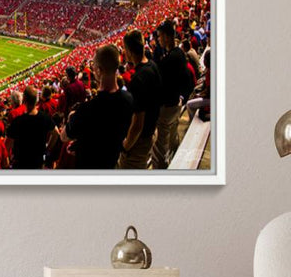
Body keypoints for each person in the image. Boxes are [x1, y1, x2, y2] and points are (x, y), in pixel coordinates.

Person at [64, 45, 134, 169]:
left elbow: (64, 136)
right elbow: (105, 135)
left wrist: (71, 118)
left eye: (94, 66)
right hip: (111, 163)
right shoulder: (128, 99)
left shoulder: (86, 110)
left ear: (99, 71)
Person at [152, 19, 195, 169]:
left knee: (159, 149)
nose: (158, 39)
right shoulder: (179, 54)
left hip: (168, 106)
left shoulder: (171, 58)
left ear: (168, 36)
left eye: (160, 36)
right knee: (172, 137)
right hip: (176, 103)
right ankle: (176, 160)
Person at [118, 29, 162, 169]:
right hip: (150, 131)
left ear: (129, 51)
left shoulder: (138, 79)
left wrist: (126, 146)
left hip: (139, 141)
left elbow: (138, 122)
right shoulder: (153, 66)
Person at [7, 86, 53, 169]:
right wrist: (47, 149)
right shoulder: (45, 117)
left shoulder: (17, 121)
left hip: (21, 163)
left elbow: (7, 146)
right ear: (37, 100)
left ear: (24, 100)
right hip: (38, 162)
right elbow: (56, 133)